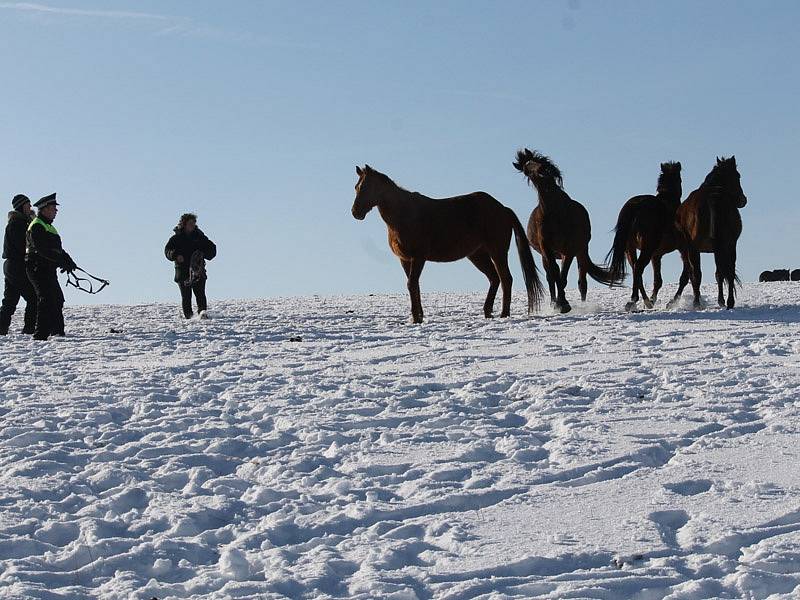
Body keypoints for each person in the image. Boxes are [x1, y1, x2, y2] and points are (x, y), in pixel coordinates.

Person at [26, 193, 77, 340]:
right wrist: (59, 261)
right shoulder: (37, 225)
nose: (56, 210)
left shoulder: (49, 227)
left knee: (57, 299)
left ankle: (57, 332)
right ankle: (40, 335)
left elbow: (57, 249)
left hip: (47, 268)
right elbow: (41, 249)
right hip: (37, 267)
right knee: (46, 299)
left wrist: (68, 260)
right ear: (44, 209)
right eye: (53, 207)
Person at [164, 213, 216, 319]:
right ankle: (189, 316)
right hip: (182, 272)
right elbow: (167, 251)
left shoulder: (199, 236)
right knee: (186, 296)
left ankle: (202, 314)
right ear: (184, 224)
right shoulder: (176, 238)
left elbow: (212, 249)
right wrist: (175, 255)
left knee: (200, 293)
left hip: (198, 270)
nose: (192, 225)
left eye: (194, 223)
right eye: (190, 223)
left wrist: (204, 254)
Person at [0, 195, 37, 335]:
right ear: (21, 206)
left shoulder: (20, 223)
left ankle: (1, 329)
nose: (30, 207)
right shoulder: (17, 224)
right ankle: (29, 329)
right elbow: (23, 246)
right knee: (33, 297)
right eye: (28, 205)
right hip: (17, 266)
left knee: (9, 300)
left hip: (11, 267)